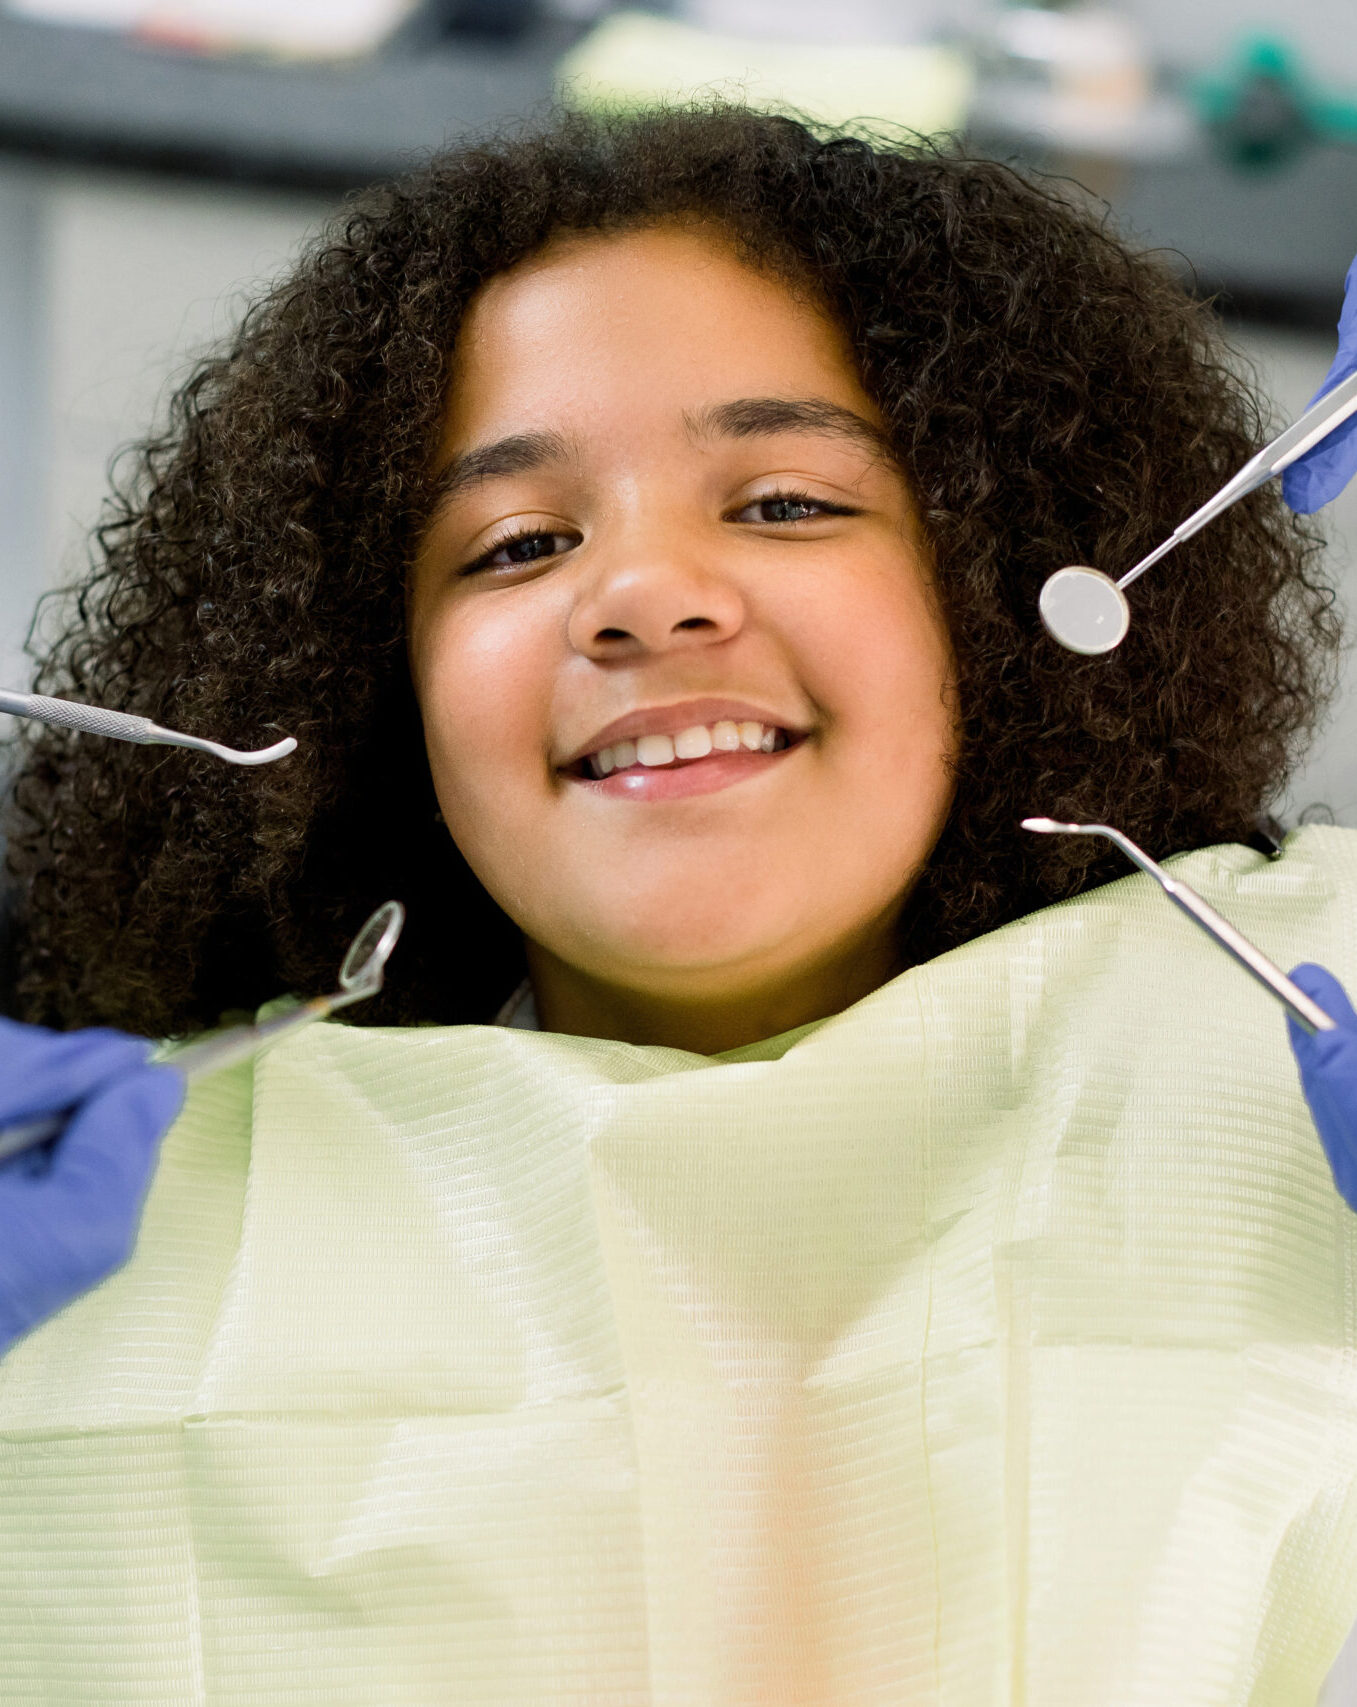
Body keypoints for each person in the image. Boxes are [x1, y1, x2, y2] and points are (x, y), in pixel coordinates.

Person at [1, 106, 1357, 1700]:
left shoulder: (1274, 1069)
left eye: (784, 501)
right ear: (374, 688)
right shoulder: (118, 1216)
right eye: (517, 545)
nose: (640, 594)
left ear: (999, 595)